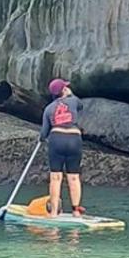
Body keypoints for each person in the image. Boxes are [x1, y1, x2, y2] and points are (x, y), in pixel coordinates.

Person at [40, 78, 86, 217]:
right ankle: (76, 211)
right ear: (64, 90)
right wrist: (69, 95)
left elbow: (44, 133)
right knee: (73, 177)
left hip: (56, 139)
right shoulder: (73, 100)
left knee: (55, 177)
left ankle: (53, 212)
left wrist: (41, 138)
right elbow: (80, 106)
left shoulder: (48, 109)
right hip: (74, 139)